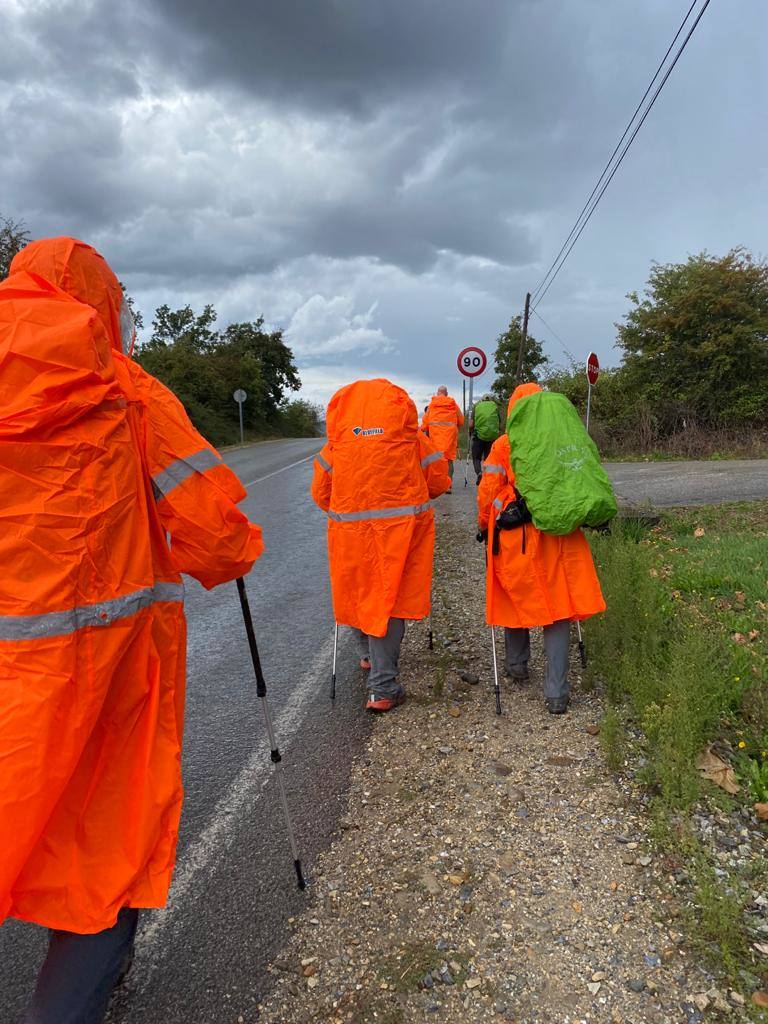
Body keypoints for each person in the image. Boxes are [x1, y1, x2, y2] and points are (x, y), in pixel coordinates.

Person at [0, 237, 264, 1024]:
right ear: (101, 302)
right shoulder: (125, 390)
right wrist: (234, 550)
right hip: (99, 673)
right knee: (101, 847)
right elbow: (215, 537)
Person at [311, 378, 450, 711]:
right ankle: (383, 688)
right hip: (400, 534)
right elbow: (439, 481)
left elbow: (320, 494)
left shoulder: (336, 446)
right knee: (391, 600)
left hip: (351, 535)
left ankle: (366, 656)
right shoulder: (413, 440)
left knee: (361, 591)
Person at [477, 382, 605, 714]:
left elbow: (488, 491)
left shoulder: (505, 444)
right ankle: (556, 693)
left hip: (518, 537)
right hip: (562, 535)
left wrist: (483, 522)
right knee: (559, 608)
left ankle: (517, 666)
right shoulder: (566, 439)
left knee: (515, 595)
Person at [421, 385, 464, 490]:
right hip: (449, 437)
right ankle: (448, 485)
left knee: (436, 461)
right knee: (449, 460)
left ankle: (436, 484)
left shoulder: (432, 405)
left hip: (435, 438)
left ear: (437, 393)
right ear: (447, 393)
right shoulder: (453, 404)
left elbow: (425, 423)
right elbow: (461, 421)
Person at [468, 393, 500, 484]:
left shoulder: (477, 406)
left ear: (482, 400)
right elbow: (499, 422)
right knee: (488, 458)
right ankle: (488, 478)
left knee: (476, 458)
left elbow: (471, 424)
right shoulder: (495, 406)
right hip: (492, 437)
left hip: (479, 436)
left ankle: (479, 473)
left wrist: (470, 432)